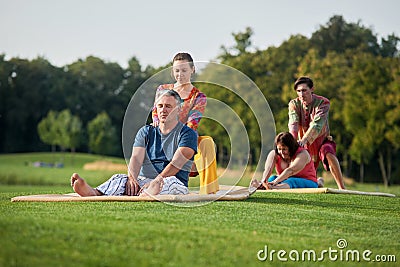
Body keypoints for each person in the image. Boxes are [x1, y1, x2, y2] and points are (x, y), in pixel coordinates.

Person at [71, 89, 198, 197]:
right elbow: (136, 158)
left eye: (168, 106)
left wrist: (158, 180)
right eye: (160, 106)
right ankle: (94, 193)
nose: (163, 110)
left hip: (172, 180)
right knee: (119, 179)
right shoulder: (145, 131)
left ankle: (149, 192)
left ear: (178, 109)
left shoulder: (187, 134)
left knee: (167, 183)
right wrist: (132, 178)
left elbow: (176, 163)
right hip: (144, 180)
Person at [152, 52, 219, 194]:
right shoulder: (162, 89)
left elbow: (192, 123)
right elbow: (155, 112)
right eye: (177, 70)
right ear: (172, 71)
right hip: (162, 134)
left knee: (208, 142)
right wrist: (158, 122)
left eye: (184, 70)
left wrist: (181, 141)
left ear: (192, 70)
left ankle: (208, 192)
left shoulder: (198, 96)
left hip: (186, 136)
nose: (180, 74)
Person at [288, 76, 345, 189]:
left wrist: (303, 140)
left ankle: (342, 188)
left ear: (312, 89)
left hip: (322, 140)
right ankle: (318, 182)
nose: (301, 94)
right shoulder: (293, 104)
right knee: (306, 177)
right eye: (298, 91)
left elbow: (317, 125)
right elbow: (293, 124)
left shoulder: (323, 102)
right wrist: (292, 143)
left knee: (328, 152)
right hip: (303, 145)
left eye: (304, 90)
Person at [251, 132, 318, 189]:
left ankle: (271, 188)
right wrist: (264, 181)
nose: (281, 152)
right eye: (279, 149)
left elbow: (290, 171)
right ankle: (265, 187)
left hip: (309, 182)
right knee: (272, 178)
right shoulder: (275, 154)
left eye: (284, 149)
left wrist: (274, 183)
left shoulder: (303, 154)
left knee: (290, 181)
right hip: (285, 181)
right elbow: (268, 169)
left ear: (291, 148)